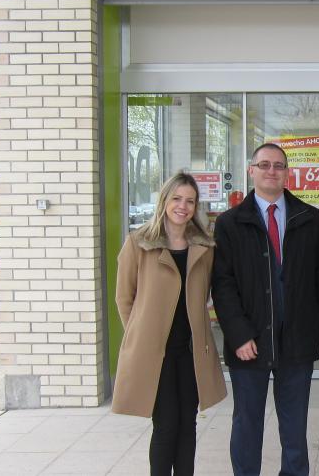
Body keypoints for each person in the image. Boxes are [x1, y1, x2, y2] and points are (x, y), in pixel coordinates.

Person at [212, 143, 319, 476]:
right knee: (248, 424)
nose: (271, 171)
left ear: (287, 172)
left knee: (294, 429)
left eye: (278, 165)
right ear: (251, 170)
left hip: (297, 341)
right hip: (248, 342)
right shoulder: (229, 223)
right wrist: (238, 334)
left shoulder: (308, 218)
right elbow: (222, 285)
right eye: (264, 164)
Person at [112, 172, 227, 476]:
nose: (183, 206)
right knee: (165, 426)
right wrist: (141, 337)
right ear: (164, 201)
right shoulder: (139, 243)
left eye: (190, 201)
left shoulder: (205, 246)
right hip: (155, 354)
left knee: (187, 425)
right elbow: (125, 299)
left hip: (190, 352)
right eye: (177, 198)